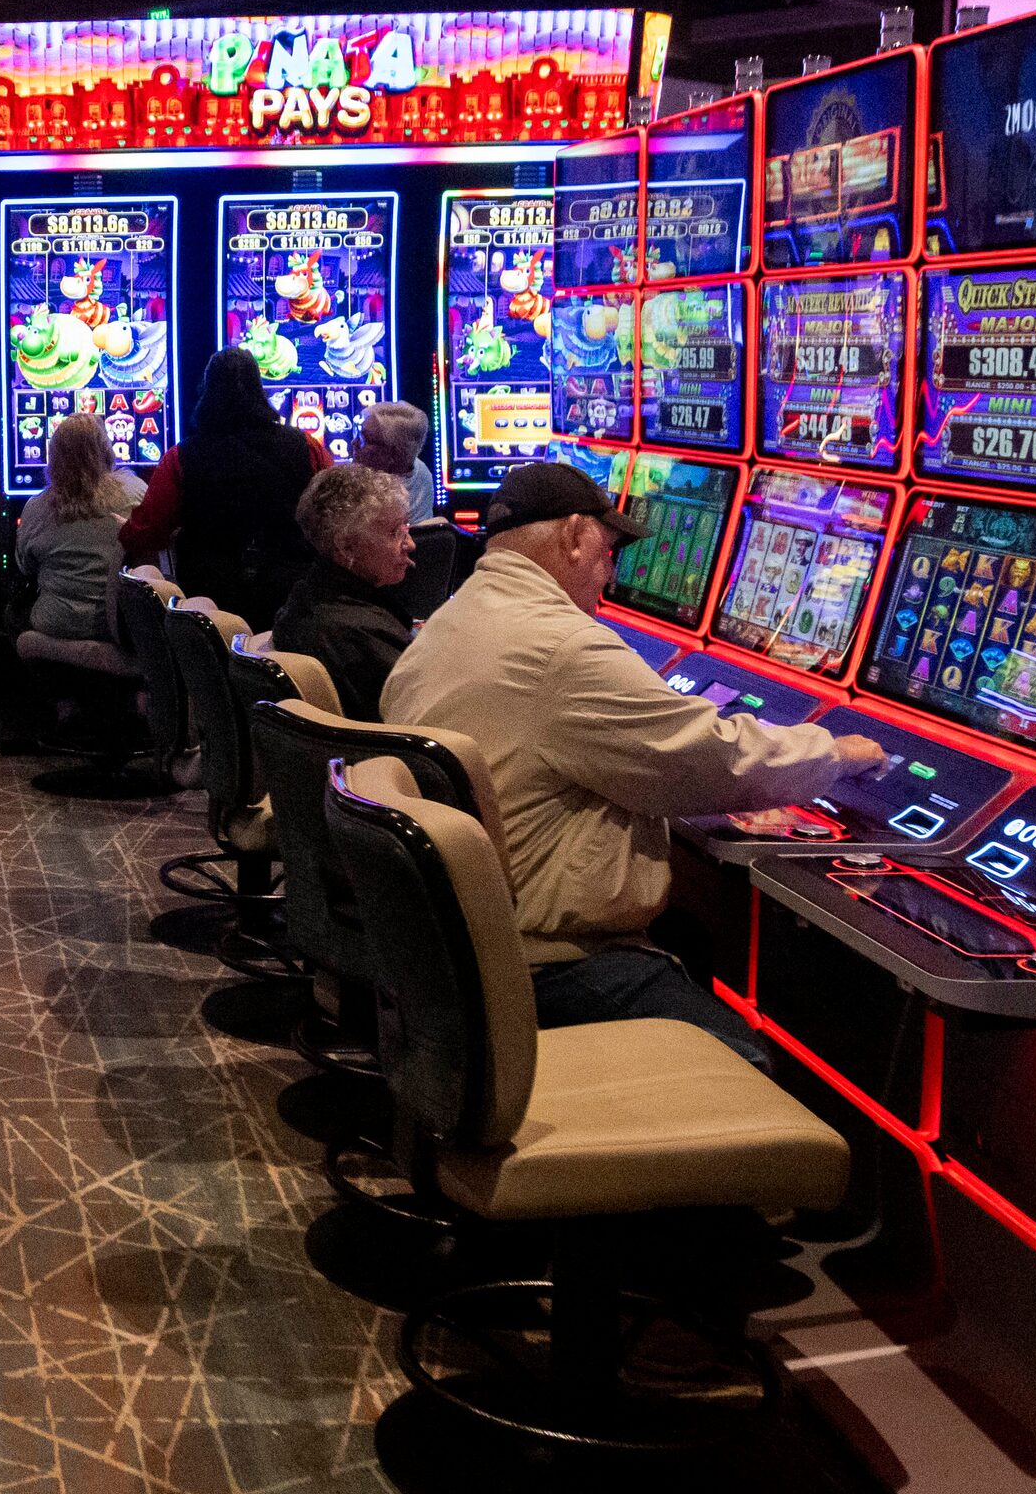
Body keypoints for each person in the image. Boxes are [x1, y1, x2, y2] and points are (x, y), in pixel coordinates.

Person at [380, 462, 886, 1067]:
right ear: (573, 535)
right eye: (609, 546)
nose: (612, 568)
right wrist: (835, 751)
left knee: (690, 943)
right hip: (540, 963)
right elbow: (715, 760)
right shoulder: (561, 646)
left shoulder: (452, 618)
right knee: (749, 1065)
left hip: (447, 946)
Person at [116, 346, 332, 625]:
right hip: (291, 598)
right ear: (260, 390)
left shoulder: (180, 457)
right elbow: (334, 519)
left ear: (206, 392)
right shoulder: (307, 446)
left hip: (211, 603)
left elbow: (147, 534)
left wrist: (124, 527)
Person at [272, 463, 415, 721]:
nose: (411, 544)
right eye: (395, 532)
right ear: (346, 546)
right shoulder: (356, 632)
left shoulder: (310, 595)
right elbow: (425, 712)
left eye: (407, 527)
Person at [14, 413, 145, 643]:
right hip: (119, 626)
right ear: (106, 449)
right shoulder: (135, 490)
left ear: (53, 456)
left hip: (55, 624)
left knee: (11, 614)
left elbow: (26, 566)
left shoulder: (36, 507)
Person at [354, 400, 439, 524]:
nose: (354, 443)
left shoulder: (371, 490)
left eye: (363, 440)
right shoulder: (421, 469)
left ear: (394, 454)